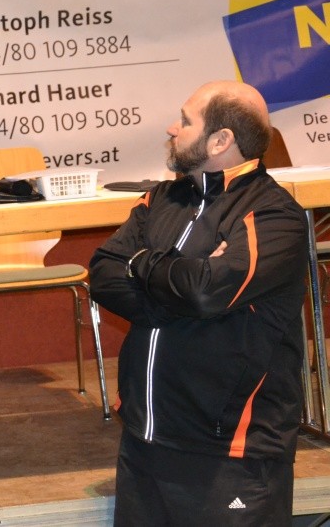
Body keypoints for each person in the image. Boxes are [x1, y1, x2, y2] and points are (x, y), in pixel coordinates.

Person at [89, 80, 309, 527]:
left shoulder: (272, 216)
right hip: (144, 443)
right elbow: (103, 273)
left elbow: (205, 292)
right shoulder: (161, 198)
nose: (172, 128)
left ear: (220, 140)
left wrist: (144, 265)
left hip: (229, 456)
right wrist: (176, 295)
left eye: (185, 121)